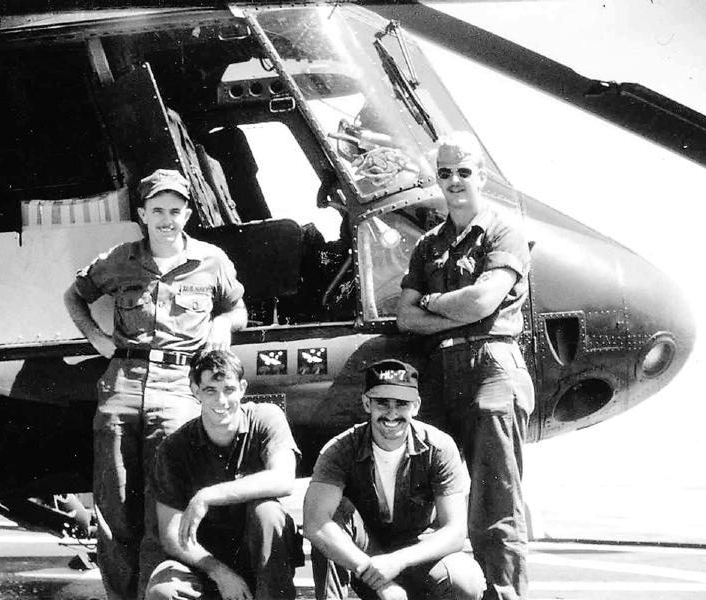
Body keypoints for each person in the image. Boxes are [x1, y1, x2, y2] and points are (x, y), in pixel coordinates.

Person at [63, 169, 248, 600]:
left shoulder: (211, 261)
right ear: (143, 213)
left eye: (176, 210)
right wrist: (97, 339)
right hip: (122, 384)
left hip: (179, 387)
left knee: (163, 501)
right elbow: (74, 296)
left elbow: (238, 308)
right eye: (158, 210)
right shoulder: (120, 259)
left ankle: (155, 593)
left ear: (187, 214)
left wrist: (223, 320)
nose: (167, 219)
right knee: (113, 506)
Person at [396, 131, 535, 600]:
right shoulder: (429, 244)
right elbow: (404, 317)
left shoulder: (503, 231)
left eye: (463, 171)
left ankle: (506, 594)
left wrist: (434, 301)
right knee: (440, 491)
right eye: (444, 173)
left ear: (481, 176)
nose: (454, 181)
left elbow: (483, 300)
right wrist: (448, 309)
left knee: (496, 500)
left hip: (492, 364)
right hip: (441, 370)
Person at [303, 359, 486, 600]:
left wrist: (397, 561)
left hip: (419, 557)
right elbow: (315, 522)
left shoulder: (439, 447)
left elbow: (455, 531)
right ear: (367, 403)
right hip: (365, 559)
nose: (392, 413)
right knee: (334, 518)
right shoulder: (340, 448)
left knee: (466, 579)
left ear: (416, 406)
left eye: (401, 403)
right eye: (382, 403)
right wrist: (380, 581)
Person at [145, 349, 301, 600]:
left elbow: (283, 479)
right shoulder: (174, 447)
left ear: (242, 388)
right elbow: (171, 534)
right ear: (195, 391)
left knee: (268, 512)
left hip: (261, 556)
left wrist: (207, 496)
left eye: (228, 389)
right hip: (203, 560)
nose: (221, 401)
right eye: (210, 390)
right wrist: (219, 572)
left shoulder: (265, 418)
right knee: (163, 591)